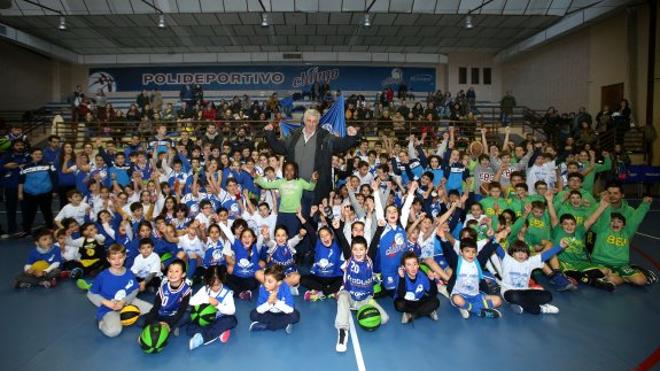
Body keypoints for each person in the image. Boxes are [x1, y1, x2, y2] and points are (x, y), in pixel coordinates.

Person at [264, 108, 359, 206]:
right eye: (309, 121)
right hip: (295, 187)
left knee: (314, 218)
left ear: (318, 122)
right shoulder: (294, 135)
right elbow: (279, 148)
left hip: (317, 188)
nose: (311, 124)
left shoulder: (325, 136)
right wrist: (269, 134)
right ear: (304, 121)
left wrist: (350, 137)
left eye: (314, 121)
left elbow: (340, 145)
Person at [335, 236, 389, 353]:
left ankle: (358, 309)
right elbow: (344, 243)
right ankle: (343, 332)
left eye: (361, 249)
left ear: (366, 250)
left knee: (384, 319)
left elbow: (374, 242)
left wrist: (379, 228)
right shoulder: (349, 260)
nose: (358, 252)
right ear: (351, 250)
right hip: (349, 295)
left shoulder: (369, 260)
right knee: (342, 296)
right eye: (355, 249)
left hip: (365, 298)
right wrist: (338, 230)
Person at [85, 244, 153, 338]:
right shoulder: (102, 276)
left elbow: (135, 289)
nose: (117, 261)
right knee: (114, 332)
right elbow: (91, 294)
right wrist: (106, 302)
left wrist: (123, 301)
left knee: (152, 311)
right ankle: (101, 321)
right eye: (113, 258)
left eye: (120, 257)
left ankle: (125, 315)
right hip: (109, 307)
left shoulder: (129, 273)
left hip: (128, 302)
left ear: (125, 257)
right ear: (108, 259)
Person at [255, 162, 318, 240]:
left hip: (295, 214)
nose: (289, 172)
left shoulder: (300, 181)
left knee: (291, 237)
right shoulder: (280, 181)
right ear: (283, 171)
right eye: (286, 169)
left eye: (292, 170)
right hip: (282, 213)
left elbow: (310, 187)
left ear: (295, 171)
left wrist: (313, 179)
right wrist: (256, 176)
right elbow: (266, 185)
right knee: (279, 236)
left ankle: (290, 252)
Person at [188, 265, 238, 350]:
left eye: (217, 285)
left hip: (220, 318)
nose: (215, 288)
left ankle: (202, 337)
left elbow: (232, 310)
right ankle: (219, 331)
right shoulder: (205, 289)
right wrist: (207, 299)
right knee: (189, 328)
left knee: (232, 320)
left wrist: (218, 305)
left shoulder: (227, 293)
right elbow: (191, 301)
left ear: (222, 280)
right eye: (212, 285)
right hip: (205, 319)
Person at [140, 259, 191, 335]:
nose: (172, 274)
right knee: (140, 321)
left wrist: (170, 323)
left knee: (187, 316)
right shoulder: (163, 288)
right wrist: (147, 324)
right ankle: (165, 326)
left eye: (176, 271)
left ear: (183, 274)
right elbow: (155, 307)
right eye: (170, 271)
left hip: (174, 315)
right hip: (160, 314)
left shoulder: (186, 289)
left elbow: (181, 310)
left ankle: (169, 326)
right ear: (167, 273)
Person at [249, 264, 300, 334]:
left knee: (296, 315)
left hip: (283, 313)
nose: (266, 284)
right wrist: (269, 303)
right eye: (265, 280)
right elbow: (259, 309)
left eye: (270, 281)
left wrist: (276, 301)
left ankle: (265, 326)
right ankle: (283, 325)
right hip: (268, 313)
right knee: (253, 314)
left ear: (279, 283)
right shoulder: (262, 288)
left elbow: (290, 309)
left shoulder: (285, 288)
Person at [18, 148, 57, 237]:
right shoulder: (25, 167)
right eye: (36, 154)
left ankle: (50, 229)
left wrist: (55, 190)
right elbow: (21, 181)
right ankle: (26, 231)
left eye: (40, 154)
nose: (38, 155)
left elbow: (54, 178)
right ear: (31, 155)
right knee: (29, 213)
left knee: (47, 212)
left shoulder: (49, 165)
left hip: (45, 193)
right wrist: (20, 193)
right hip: (30, 194)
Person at [393, 251, 440, 323]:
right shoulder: (401, 276)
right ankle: (427, 311)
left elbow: (433, 293)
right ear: (404, 267)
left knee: (436, 302)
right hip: (406, 301)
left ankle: (412, 315)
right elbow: (401, 294)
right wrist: (402, 278)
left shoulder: (422, 275)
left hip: (419, 300)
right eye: (409, 264)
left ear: (418, 265)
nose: (413, 267)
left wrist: (432, 280)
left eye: (415, 264)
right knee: (399, 305)